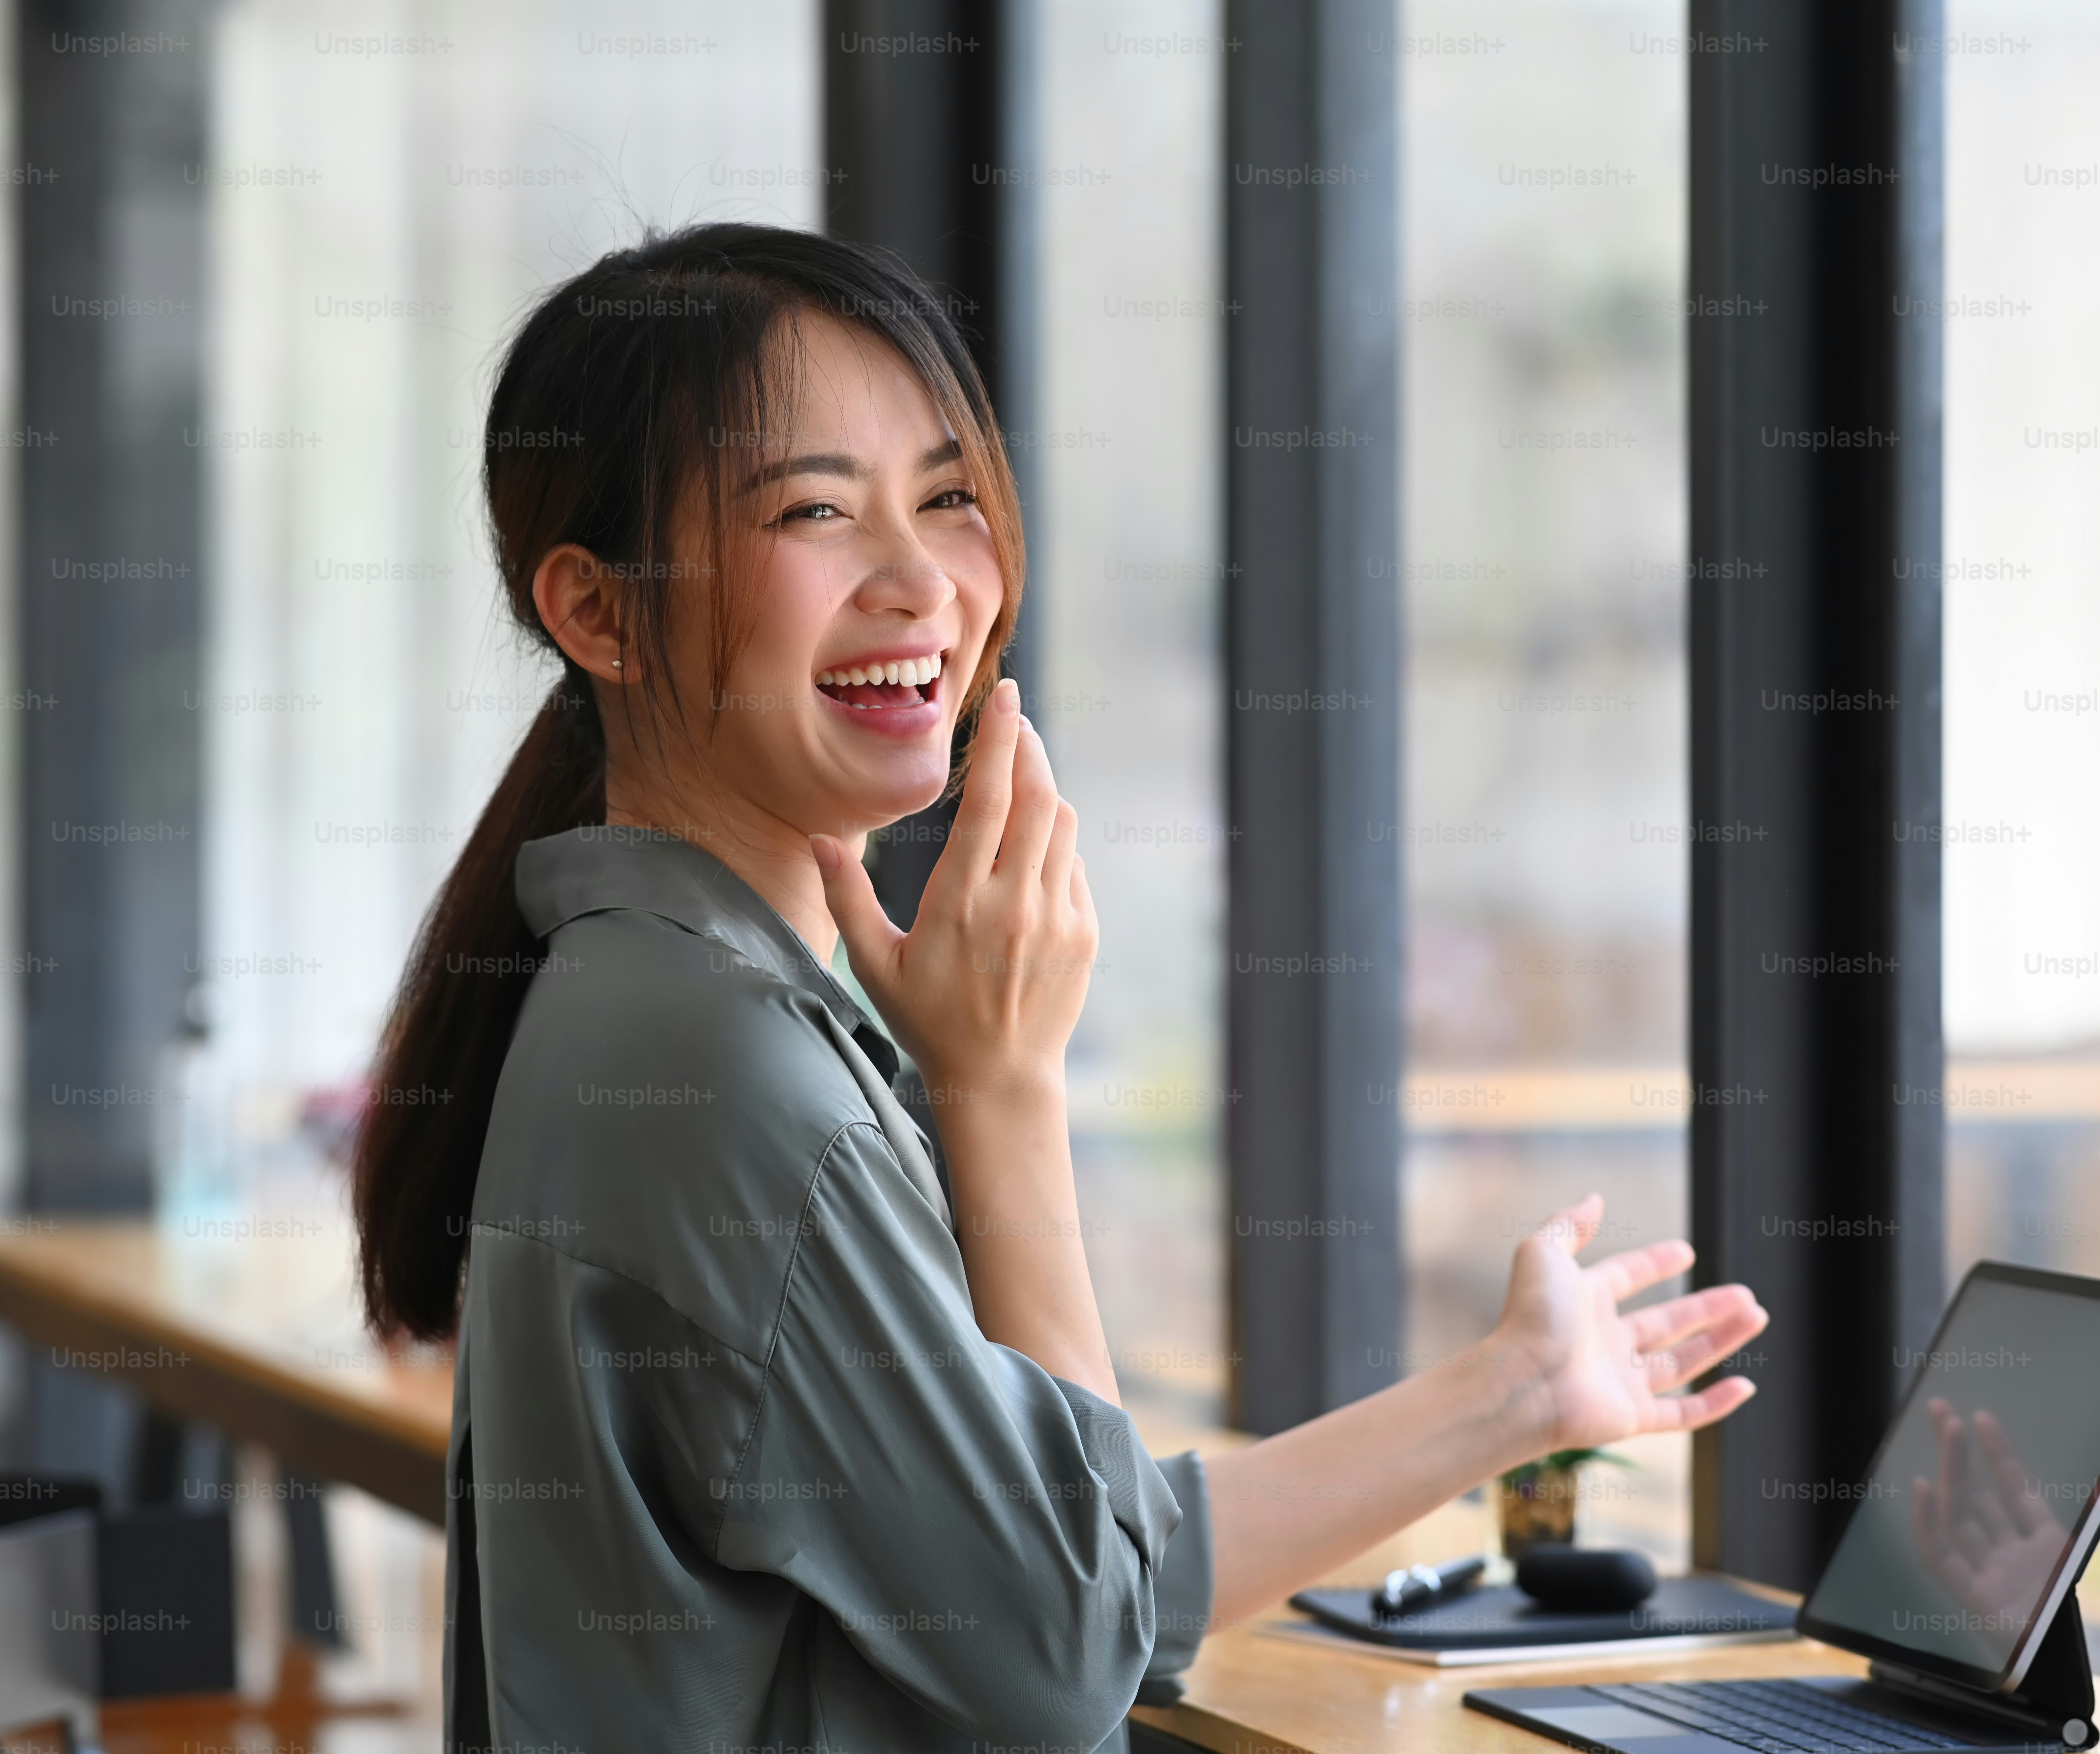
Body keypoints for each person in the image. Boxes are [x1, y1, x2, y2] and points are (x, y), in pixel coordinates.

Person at [348, 222, 1771, 1754]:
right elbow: (1071, 1639)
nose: (922, 581)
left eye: (950, 497)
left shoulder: (672, 999)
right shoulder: (721, 1070)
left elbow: (1078, 1565)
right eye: (817, 509)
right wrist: (1005, 1089)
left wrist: (1518, 1389)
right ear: (598, 613)